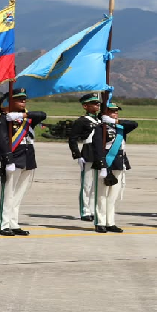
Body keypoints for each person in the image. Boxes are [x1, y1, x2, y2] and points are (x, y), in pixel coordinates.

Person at [0, 89, 47, 236]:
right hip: (14, 159)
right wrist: (8, 159)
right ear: (11, 102)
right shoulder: (4, 119)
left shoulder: (27, 118)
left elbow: (43, 115)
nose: (23, 101)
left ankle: (14, 223)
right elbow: (3, 140)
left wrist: (21, 115)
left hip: (28, 159)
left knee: (18, 194)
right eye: (19, 99)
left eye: (24, 99)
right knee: (8, 193)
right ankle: (4, 224)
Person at [90, 102, 139, 233]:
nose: (115, 113)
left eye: (116, 111)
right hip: (106, 163)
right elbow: (97, 148)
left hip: (119, 163)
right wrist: (103, 166)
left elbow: (134, 124)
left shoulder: (120, 127)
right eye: (112, 111)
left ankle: (110, 222)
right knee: (101, 195)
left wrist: (115, 121)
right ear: (104, 113)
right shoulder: (100, 128)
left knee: (113, 196)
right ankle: (100, 222)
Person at [68, 93, 103, 221]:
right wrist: (77, 155)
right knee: (87, 184)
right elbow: (72, 139)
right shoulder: (82, 121)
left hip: (100, 153)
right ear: (85, 106)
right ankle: (85, 211)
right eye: (94, 103)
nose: (97, 105)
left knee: (96, 185)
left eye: (98, 103)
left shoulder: (100, 120)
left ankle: (93, 209)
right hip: (88, 152)